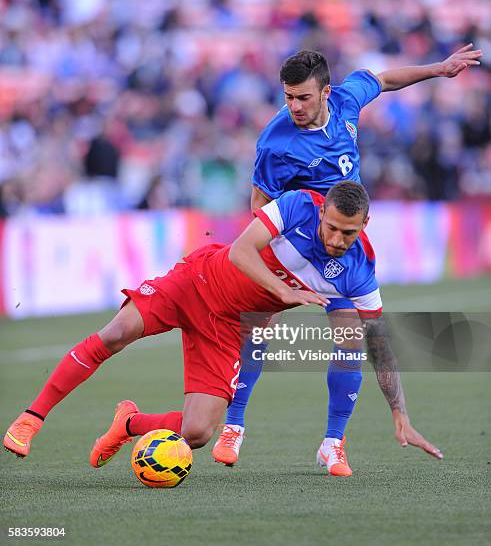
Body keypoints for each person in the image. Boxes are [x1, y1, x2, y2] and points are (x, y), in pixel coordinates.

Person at [4, 182, 438, 476]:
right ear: (322, 211)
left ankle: (130, 424)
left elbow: (379, 346)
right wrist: (281, 293)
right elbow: (241, 252)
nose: (338, 240)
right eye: (332, 228)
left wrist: (401, 414)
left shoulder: (358, 269)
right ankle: (31, 419)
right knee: (117, 332)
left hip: (226, 327)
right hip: (196, 281)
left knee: (195, 434)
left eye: (349, 232)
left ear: (364, 227)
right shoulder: (297, 206)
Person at [212, 46, 480, 468]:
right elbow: (259, 201)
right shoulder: (276, 143)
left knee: (352, 339)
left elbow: (386, 79)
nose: (294, 106)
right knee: (260, 328)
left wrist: (439, 69)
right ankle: (234, 427)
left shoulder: (347, 100)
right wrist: (274, 267)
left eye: (303, 97)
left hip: (342, 241)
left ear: (326, 92)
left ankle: (332, 443)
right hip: (298, 239)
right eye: (288, 97)